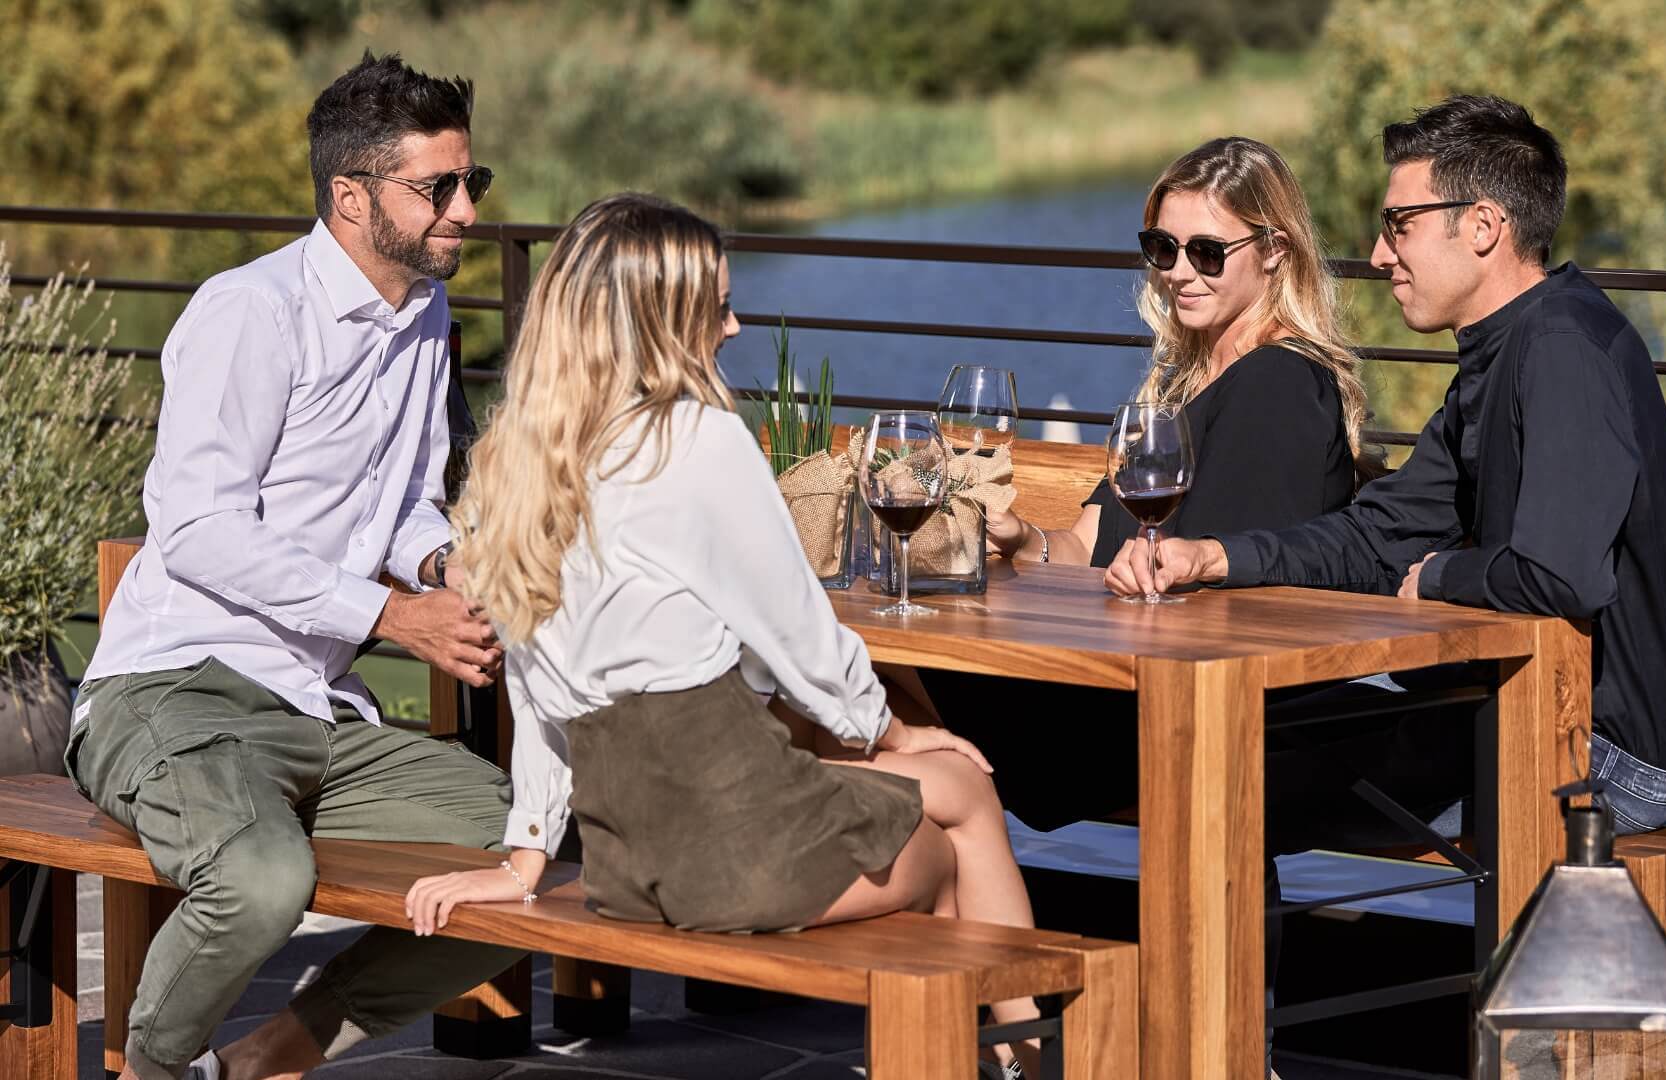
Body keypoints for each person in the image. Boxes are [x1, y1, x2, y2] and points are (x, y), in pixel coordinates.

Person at [402, 193, 1047, 1079]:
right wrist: (899, 733)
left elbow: (532, 689)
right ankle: (1029, 1057)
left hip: (627, 865)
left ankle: (1008, 1059)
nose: (737, 326)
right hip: (737, 848)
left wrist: (525, 859)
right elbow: (802, 640)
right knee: (962, 796)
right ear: (657, 324)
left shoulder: (513, 463)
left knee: (918, 801)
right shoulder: (695, 438)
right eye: (717, 309)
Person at [66, 55, 522, 1080]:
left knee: (531, 860)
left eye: (471, 183)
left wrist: (442, 559)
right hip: (174, 689)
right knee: (263, 882)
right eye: (436, 188)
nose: (463, 210)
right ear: (350, 196)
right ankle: (150, 1070)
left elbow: (399, 502)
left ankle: (276, 1054)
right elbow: (198, 529)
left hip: (315, 706)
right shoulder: (251, 313)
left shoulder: (423, 315)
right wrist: (392, 619)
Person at [1109, 95, 1666, 836]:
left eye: (1400, 225)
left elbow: (1561, 576)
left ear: (1484, 226)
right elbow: (1373, 534)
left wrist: (1440, 578)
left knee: (1214, 774)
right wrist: (1213, 557)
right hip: (1508, 704)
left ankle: (1207, 955)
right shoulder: (1502, 354)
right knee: (1206, 754)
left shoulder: (1563, 349)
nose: (1381, 254)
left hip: (1602, 755)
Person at [906, 135, 1380, 830]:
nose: (1179, 273)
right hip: (1122, 686)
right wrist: (1016, 536)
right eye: (1163, 248)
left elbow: (1230, 614)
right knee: (878, 685)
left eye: (1208, 252)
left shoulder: (1276, 385)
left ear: (1276, 249)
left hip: (1175, 723)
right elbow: (1079, 549)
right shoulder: (1189, 389)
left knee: (867, 677)